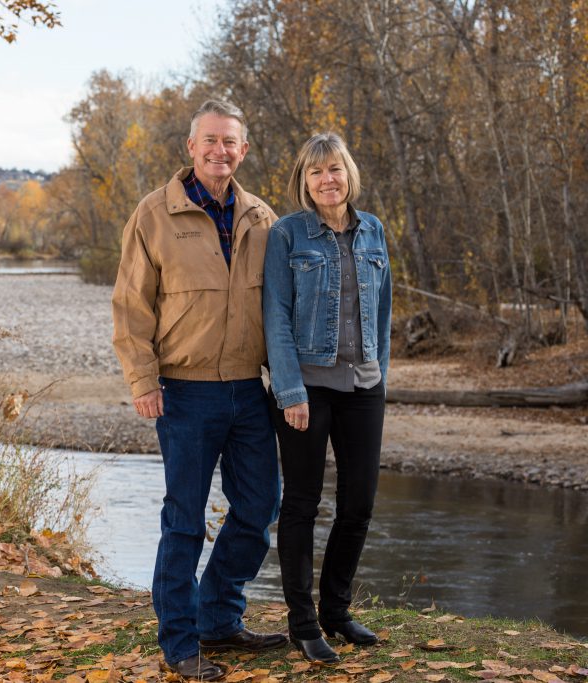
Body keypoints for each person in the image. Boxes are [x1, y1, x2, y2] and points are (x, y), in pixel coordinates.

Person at [112, 100, 288, 680]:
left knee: (260, 506)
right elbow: (131, 305)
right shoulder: (153, 213)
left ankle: (218, 615)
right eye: (209, 140)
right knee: (184, 519)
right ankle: (181, 643)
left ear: (244, 149)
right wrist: (143, 380)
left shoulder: (262, 218)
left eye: (230, 142)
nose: (220, 150)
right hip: (185, 394)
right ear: (191, 146)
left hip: (248, 389)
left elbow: (280, 308)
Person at [262, 132, 392, 663]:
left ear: (348, 174)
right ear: (304, 180)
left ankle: (336, 611)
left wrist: (379, 371)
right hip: (307, 391)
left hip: (363, 388)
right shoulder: (287, 235)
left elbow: (382, 311)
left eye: (334, 169)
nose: (327, 180)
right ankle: (303, 623)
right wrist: (290, 390)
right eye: (316, 172)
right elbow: (276, 316)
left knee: (358, 504)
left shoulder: (373, 230)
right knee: (300, 504)